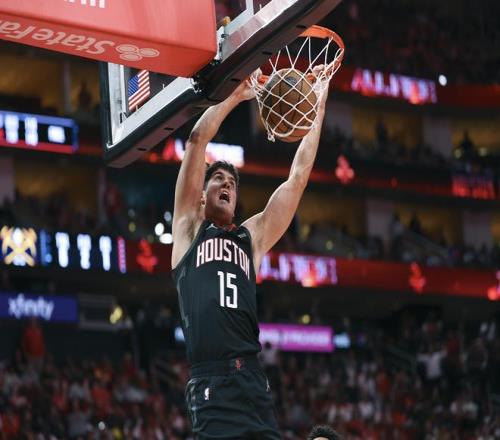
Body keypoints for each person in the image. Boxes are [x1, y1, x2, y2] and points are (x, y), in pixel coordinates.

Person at [171, 70, 329, 439]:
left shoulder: (251, 238)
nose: (226, 184)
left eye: (232, 183)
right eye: (218, 179)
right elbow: (197, 139)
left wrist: (317, 106)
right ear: (201, 197)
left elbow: (297, 179)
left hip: (252, 379)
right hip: (210, 381)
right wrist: (235, 95)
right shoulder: (188, 230)